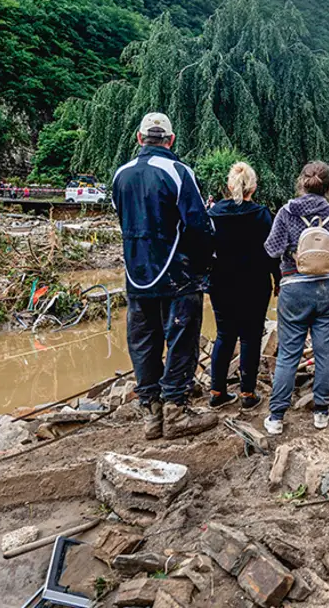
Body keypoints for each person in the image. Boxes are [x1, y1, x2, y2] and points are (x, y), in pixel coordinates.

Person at [111, 112, 220, 440]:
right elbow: (199, 226)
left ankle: (152, 414)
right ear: (170, 140)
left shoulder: (121, 175)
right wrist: (203, 267)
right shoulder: (177, 171)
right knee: (181, 340)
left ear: (139, 138)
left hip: (137, 274)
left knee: (143, 342)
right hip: (177, 275)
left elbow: (123, 219)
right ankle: (176, 411)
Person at [263, 162, 329, 435]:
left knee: (288, 354)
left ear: (301, 183)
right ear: (328, 187)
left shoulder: (286, 212)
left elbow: (271, 250)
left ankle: (276, 416)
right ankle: (321, 412)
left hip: (294, 288)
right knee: (326, 353)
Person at [206, 162, 280, 412]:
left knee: (224, 335)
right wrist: (278, 279)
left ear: (229, 186)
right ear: (254, 187)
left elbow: (205, 249)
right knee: (250, 337)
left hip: (221, 283)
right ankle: (248, 393)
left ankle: (217, 391)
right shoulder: (262, 215)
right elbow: (272, 252)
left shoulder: (214, 214)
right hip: (255, 283)